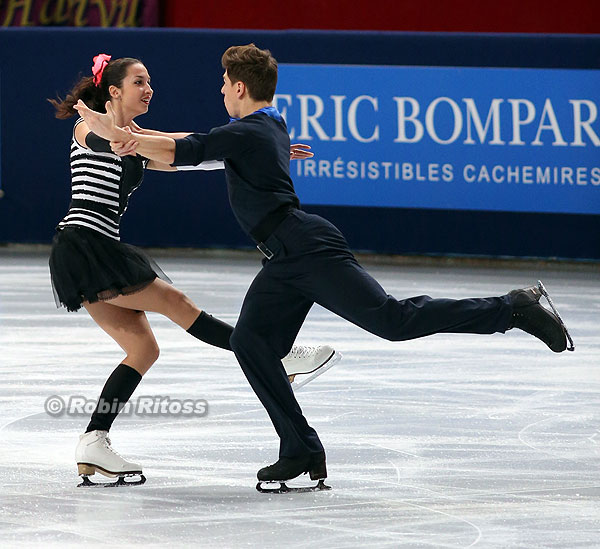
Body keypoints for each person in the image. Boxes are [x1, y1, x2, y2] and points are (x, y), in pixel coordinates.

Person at [74, 44, 573, 491]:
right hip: (283, 257)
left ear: (240, 86)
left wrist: (123, 137)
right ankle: (300, 448)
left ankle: (513, 308)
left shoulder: (248, 131)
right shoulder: (265, 127)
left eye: (225, 83)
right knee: (250, 344)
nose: (221, 90)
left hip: (304, 247)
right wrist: (126, 137)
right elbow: (196, 149)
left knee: (393, 322)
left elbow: (194, 149)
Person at [49, 54, 340, 486]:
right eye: (139, 82)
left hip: (96, 250)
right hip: (84, 246)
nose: (149, 89)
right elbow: (99, 138)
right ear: (114, 91)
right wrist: (110, 132)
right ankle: (279, 355)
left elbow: (188, 149)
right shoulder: (86, 127)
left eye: (150, 82)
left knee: (144, 350)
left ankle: (94, 439)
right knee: (176, 303)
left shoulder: (136, 140)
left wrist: (261, 149)